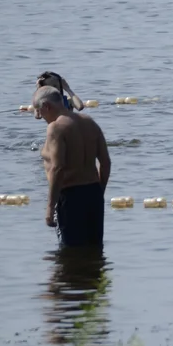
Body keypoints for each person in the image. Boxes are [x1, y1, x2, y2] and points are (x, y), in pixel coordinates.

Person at [32, 86, 111, 248]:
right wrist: (99, 192)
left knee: (69, 253)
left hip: (71, 196)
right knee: (94, 249)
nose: (39, 116)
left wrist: (50, 207)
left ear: (46, 106)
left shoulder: (55, 128)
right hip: (93, 193)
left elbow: (58, 168)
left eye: (39, 111)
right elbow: (105, 162)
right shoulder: (89, 122)